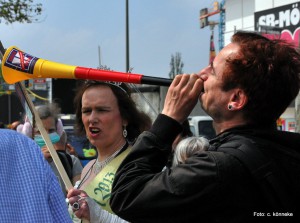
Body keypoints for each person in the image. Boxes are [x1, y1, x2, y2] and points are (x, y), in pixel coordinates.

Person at [109, 31, 300, 222]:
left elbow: (126, 196)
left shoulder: (217, 168)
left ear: (236, 99)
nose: (200, 74)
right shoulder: (288, 151)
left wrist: (169, 117)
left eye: (212, 70)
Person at [67, 80, 152, 222]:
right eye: (86, 111)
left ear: (125, 117)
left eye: (102, 110)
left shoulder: (140, 165)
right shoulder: (87, 168)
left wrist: (98, 216)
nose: (92, 119)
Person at [0, 128, 72, 222]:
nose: (45, 135)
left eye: (51, 131)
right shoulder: (30, 149)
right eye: (39, 132)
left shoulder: (31, 150)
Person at [17, 103, 83, 195]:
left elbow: (80, 198)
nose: (47, 136)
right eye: (40, 131)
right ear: (28, 133)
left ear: (58, 131)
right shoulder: (18, 163)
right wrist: (39, 162)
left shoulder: (71, 162)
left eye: (51, 131)